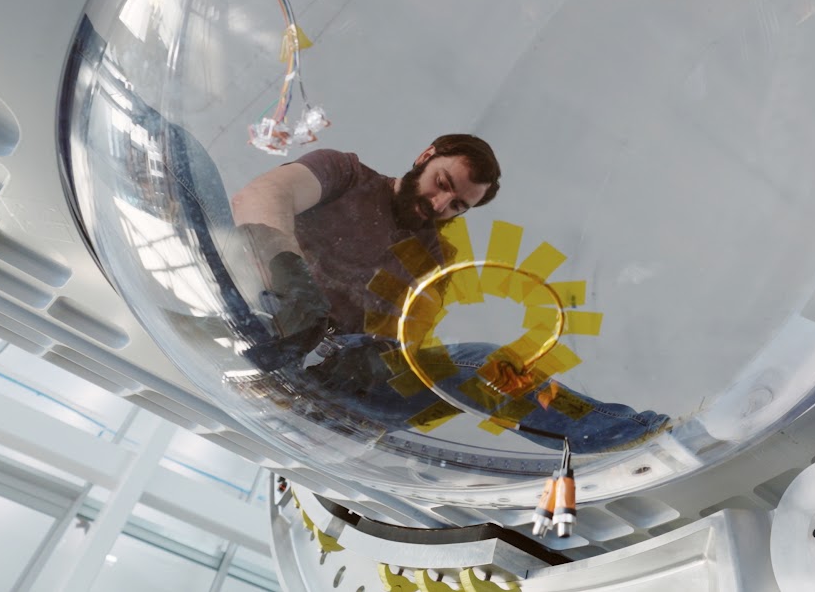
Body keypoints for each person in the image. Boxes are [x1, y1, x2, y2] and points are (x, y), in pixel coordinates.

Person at [217, 137, 669, 453]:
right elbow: (260, 197)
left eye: (457, 206)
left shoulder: (435, 257)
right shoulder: (346, 173)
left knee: (486, 368)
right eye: (443, 184)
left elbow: (403, 348)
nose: (438, 206)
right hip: (270, 331)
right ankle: (621, 433)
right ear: (425, 155)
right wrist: (290, 283)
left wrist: (376, 360)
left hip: (336, 380)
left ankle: (622, 437)